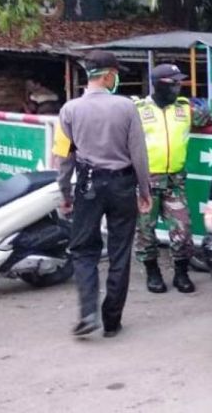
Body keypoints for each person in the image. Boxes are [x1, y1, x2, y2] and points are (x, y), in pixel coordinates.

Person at [52, 51, 152, 338]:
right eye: (116, 74)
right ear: (109, 76)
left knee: (84, 250)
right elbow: (139, 153)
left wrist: (65, 192)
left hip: (88, 186)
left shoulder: (69, 110)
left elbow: (64, 157)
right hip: (122, 185)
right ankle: (111, 320)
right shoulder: (127, 107)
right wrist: (144, 190)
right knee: (120, 252)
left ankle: (88, 312)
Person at [135, 64, 212, 294]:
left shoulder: (185, 109)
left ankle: (181, 273)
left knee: (183, 228)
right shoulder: (137, 110)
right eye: (173, 83)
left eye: (179, 82)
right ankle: (152, 272)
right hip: (147, 180)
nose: (178, 87)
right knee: (145, 229)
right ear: (158, 84)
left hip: (175, 180)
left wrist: (211, 110)